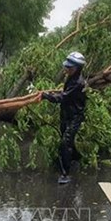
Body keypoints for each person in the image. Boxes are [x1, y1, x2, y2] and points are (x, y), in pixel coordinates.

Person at [41, 51, 87, 184]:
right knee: (67, 139)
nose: (66, 69)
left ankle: (65, 174)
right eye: (66, 67)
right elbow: (65, 93)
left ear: (77, 68)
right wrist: (53, 92)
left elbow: (63, 97)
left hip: (74, 117)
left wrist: (47, 96)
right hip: (66, 115)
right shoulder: (71, 78)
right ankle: (76, 158)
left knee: (65, 143)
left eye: (69, 68)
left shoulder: (78, 82)